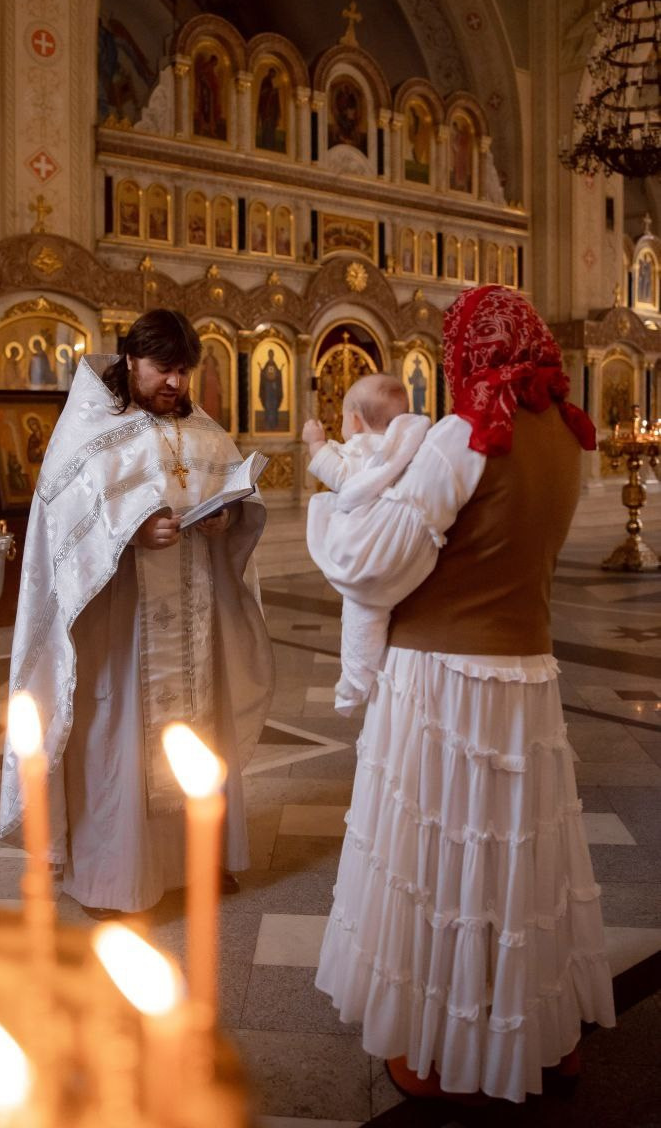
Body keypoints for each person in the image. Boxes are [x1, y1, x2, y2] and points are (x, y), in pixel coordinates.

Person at [310, 286, 614, 1104]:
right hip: (526, 677)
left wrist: (331, 507)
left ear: (469, 352)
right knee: (513, 856)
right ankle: (535, 1031)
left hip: (442, 682)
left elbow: (375, 561)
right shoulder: (567, 434)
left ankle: (435, 1046)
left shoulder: (467, 432)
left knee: (442, 857)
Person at [0, 308, 274, 913]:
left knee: (202, 727)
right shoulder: (89, 429)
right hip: (117, 622)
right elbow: (61, 522)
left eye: (183, 372)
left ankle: (203, 859)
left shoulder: (201, 429)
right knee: (114, 736)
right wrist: (129, 533)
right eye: (162, 370)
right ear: (131, 360)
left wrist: (225, 518)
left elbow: (228, 491)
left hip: (195, 621)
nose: (174, 384)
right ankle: (112, 876)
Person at [303, 374, 429, 716]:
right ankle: (370, 672)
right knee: (377, 615)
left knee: (361, 615)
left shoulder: (362, 450)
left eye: (343, 417)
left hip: (364, 548)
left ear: (355, 421)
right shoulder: (402, 451)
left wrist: (316, 444)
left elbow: (343, 480)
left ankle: (355, 680)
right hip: (396, 549)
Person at [259, 347, 284, 430]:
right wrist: (262, 372)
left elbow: (277, 376)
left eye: (271, 354)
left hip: (274, 390)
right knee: (268, 406)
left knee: (274, 406)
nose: (270, 356)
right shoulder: (267, 364)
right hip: (268, 389)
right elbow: (265, 376)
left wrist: (280, 372)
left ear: (273, 355)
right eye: (269, 354)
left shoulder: (274, 364)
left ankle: (274, 424)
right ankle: (268, 423)